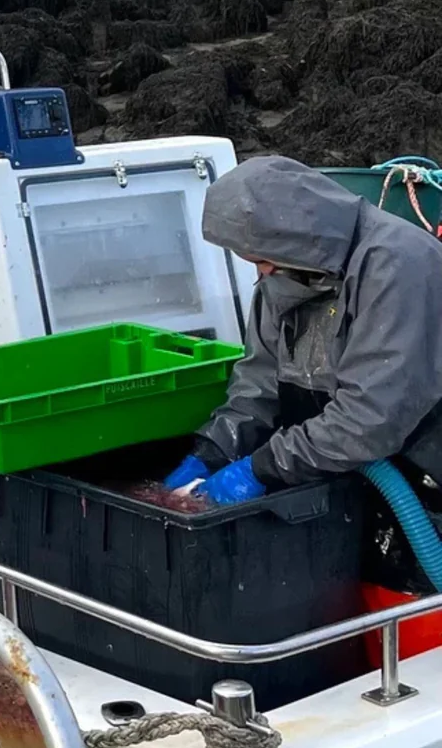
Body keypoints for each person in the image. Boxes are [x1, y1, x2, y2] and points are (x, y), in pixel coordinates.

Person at [164, 156, 442, 518]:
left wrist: (261, 468)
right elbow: (260, 381)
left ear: (293, 238)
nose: (262, 271)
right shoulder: (284, 272)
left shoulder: (399, 265)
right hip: (341, 472)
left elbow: (371, 419)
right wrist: (215, 449)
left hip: (422, 476)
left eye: (262, 260)